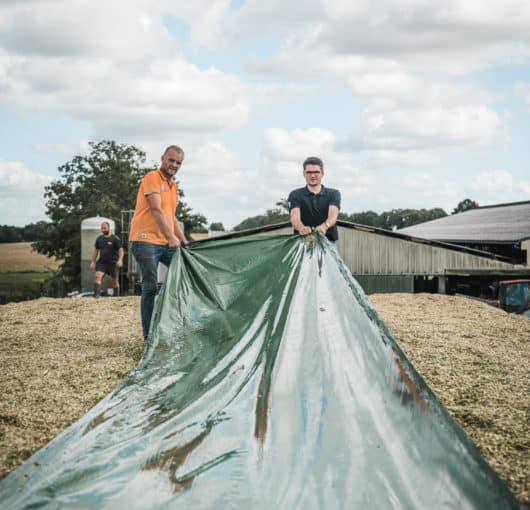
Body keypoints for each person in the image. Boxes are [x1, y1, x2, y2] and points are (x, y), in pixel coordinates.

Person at [129, 145, 188, 340]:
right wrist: (171, 238)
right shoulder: (152, 178)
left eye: (178, 162)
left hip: (165, 242)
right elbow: (156, 210)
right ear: (162, 158)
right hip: (145, 241)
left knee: (186, 273)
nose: (174, 165)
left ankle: (179, 325)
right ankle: (149, 335)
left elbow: (171, 217)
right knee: (150, 286)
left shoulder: (174, 186)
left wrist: (183, 240)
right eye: (171, 160)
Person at [287, 156, 341, 242]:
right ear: (304, 173)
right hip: (303, 242)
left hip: (327, 242)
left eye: (316, 172)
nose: (312, 175)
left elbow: (333, 216)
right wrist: (301, 228)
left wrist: (324, 226)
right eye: (309, 172)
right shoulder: (295, 194)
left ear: (322, 173)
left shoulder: (334, 194)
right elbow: (295, 218)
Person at [90, 221, 124, 297]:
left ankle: (116, 297)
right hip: (102, 262)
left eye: (104, 228)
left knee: (115, 281)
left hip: (113, 263)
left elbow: (121, 250)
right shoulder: (99, 238)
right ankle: (96, 296)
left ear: (109, 228)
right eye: (102, 228)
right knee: (97, 276)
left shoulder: (115, 239)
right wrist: (93, 261)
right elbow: (96, 250)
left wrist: (120, 260)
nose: (103, 230)